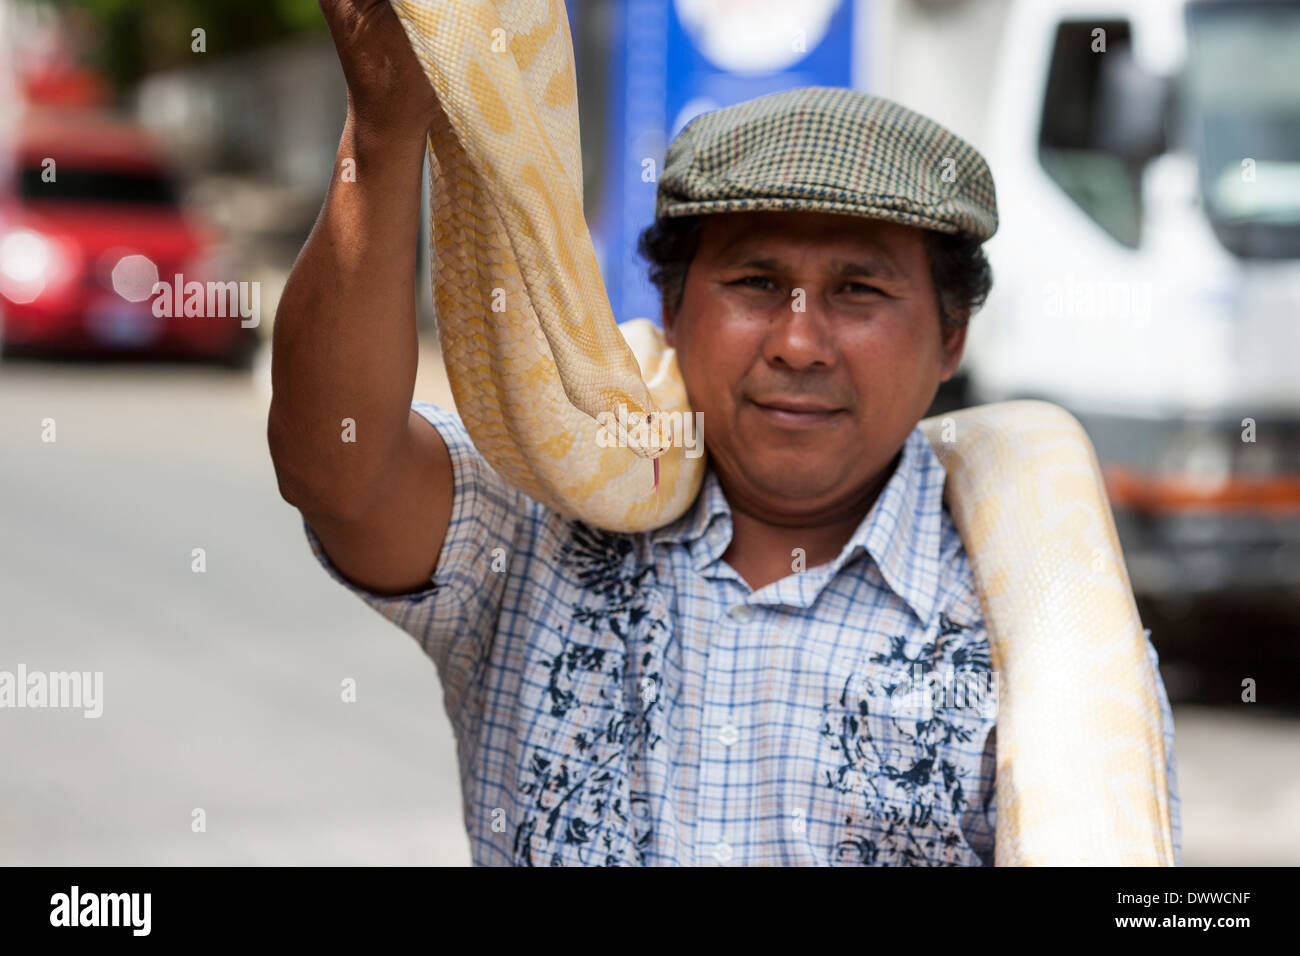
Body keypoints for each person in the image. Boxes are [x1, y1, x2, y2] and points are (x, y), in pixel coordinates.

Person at [268, 0, 1181, 866]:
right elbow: (335, 470)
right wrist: (383, 133)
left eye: (858, 292)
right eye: (754, 283)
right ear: (668, 305)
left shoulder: (1037, 628)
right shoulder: (536, 513)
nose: (798, 343)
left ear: (951, 336)